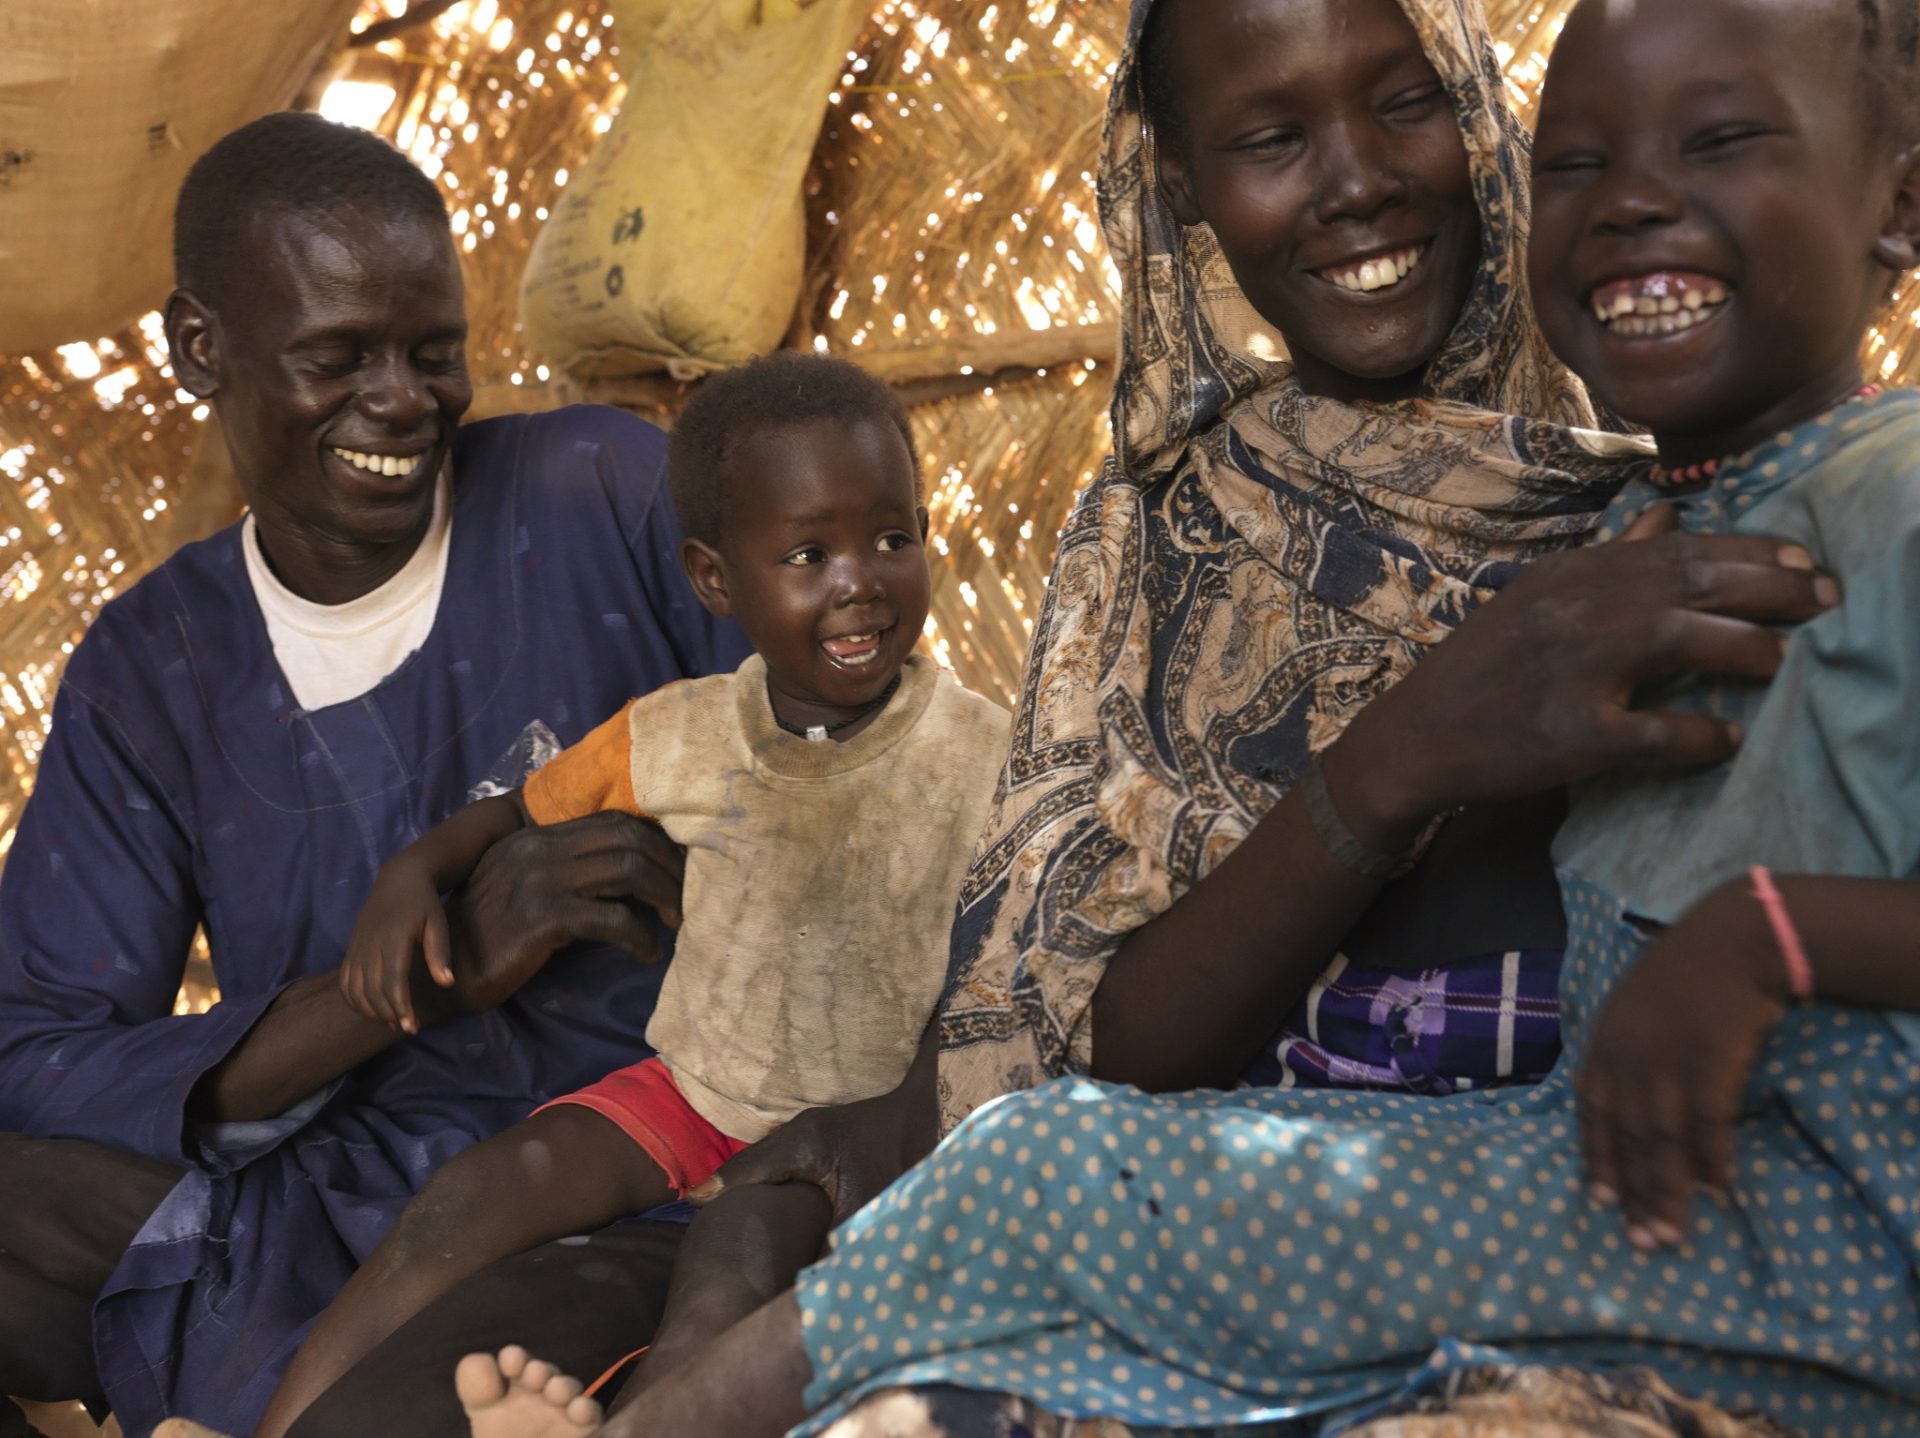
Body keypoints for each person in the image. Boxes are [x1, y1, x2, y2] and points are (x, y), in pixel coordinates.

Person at [399, 0, 1895, 1433]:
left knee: (1034, 1201)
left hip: (1695, 1233)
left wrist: (1759, 933)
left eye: (1404, 101)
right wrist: (1410, 749)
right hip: (1418, 1201)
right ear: (1180, 186)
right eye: (1269, 135)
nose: (1359, 184)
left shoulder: (1720, 515)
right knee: (926, 1282)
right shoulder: (1170, 552)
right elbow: (1073, 1039)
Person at [0, 112, 756, 1438]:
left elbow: (841, 777)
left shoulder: (610, 499)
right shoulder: (156, 667)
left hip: (602, 1192)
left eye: (435, 353)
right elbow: (34, 1050)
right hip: (301, 1195)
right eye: (337, 358)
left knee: (411, 1396)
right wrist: (422, 964)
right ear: (199, 347)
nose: (404, 401)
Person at [251, 353, 1010, 1438]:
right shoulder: (685, 733)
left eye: (893, 538)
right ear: (715, 577)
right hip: (689, 1090)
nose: (860, 580)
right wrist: (409, 875)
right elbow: (516, 815)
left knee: (724, 1279)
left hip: (837, 1130)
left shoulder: (980, 753)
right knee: (478, 1193)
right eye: (808, 553)